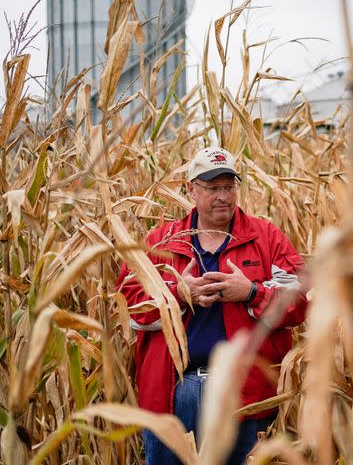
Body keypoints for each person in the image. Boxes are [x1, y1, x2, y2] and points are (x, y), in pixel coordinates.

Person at [117, 146, 308, 465]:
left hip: (244, 396)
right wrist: (177, 294)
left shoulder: (266, 238)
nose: (223, 196)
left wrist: (251, 292)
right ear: (191, 189)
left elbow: (302, 302)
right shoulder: (162, 243)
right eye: (212, 187)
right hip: (174, 394)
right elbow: (128, 307)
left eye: (229, 186)